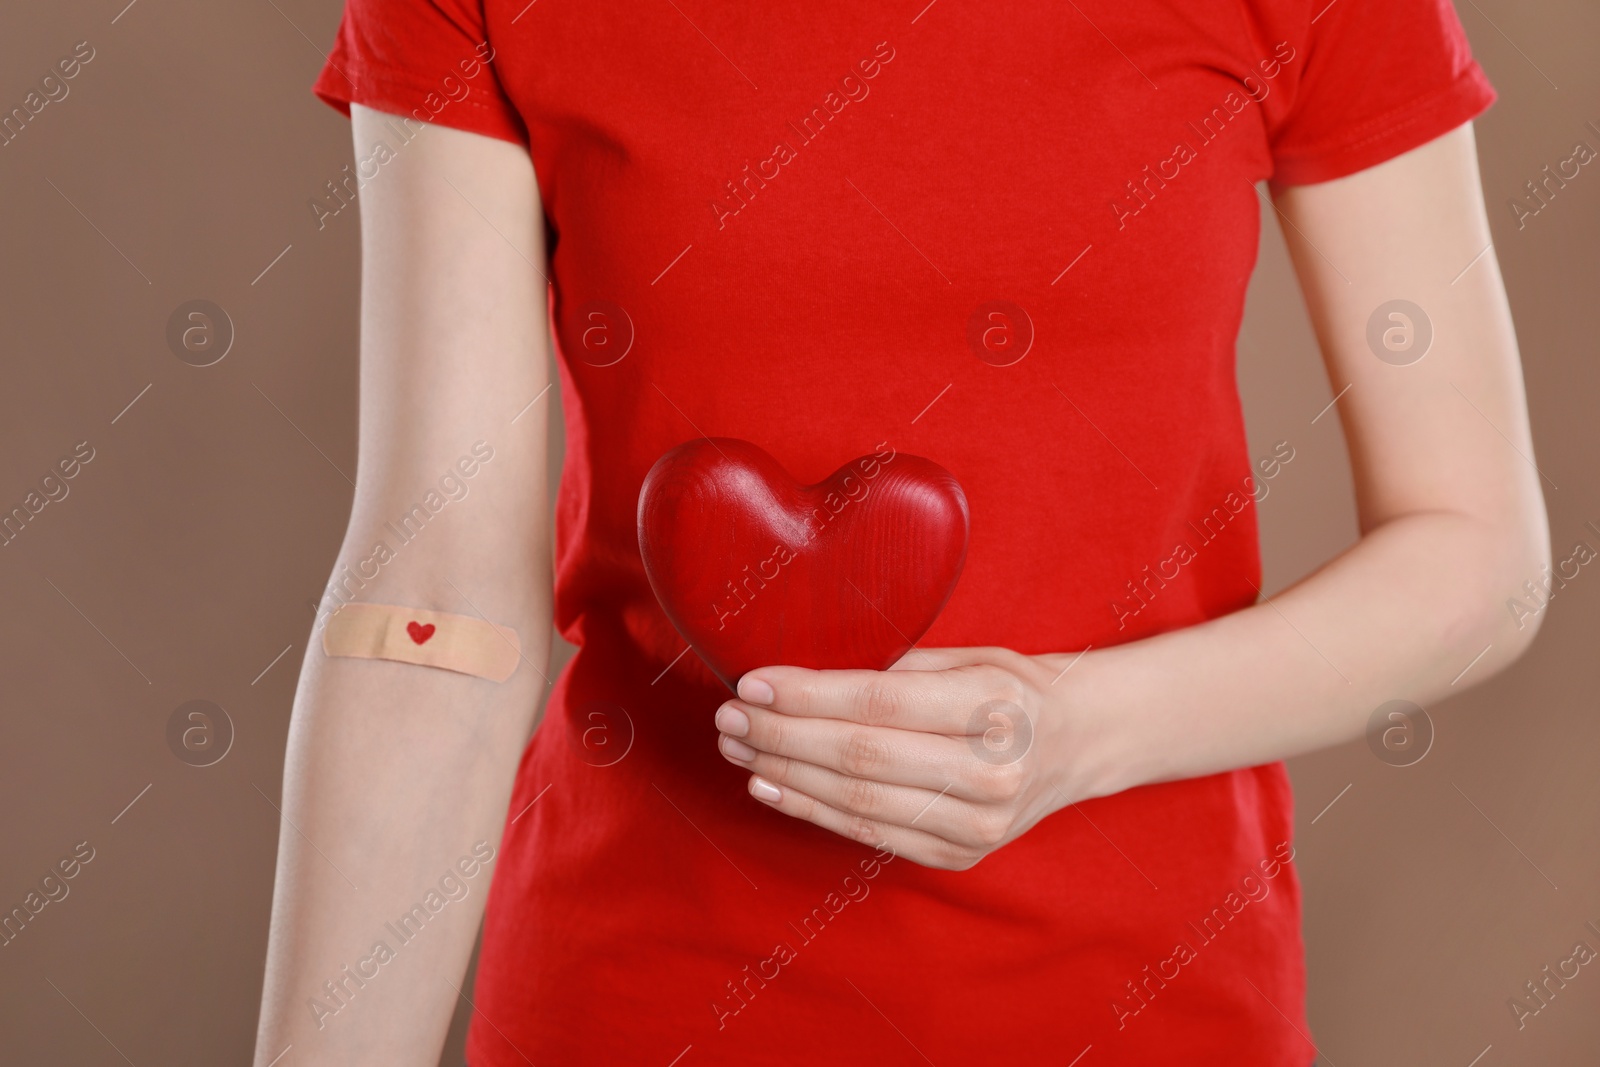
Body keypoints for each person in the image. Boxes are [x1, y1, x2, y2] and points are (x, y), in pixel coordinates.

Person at [253, 1, 1549, 1063]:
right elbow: (435, 600)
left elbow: (1477, 551)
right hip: (628, 1008)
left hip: (1146, 1014)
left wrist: (1074, 729)